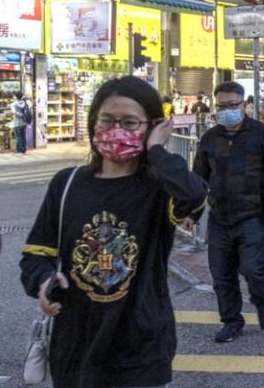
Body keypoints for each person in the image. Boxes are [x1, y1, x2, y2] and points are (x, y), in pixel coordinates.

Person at [20, 76, 208, 386]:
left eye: (130, 122)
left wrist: (158, 151)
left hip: (140, 347)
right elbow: (35, 255)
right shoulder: (66, 184)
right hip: (75, 344)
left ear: (151, 128)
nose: (116, 129)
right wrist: (43, 282)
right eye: (107, 120)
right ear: (94, 121)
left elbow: (195, 195)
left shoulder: (159, 187)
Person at [192, 81, 264, 343]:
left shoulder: (262, 135)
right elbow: (198, 180)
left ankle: (262, 300)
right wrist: (191, 213)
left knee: (253, 267)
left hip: (252, 216)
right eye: (222, 106)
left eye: (233, 105)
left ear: (243, 105)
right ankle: (232, 321)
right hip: (220, 218)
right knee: (221, 274)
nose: (228, 110)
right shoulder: (209, 139)